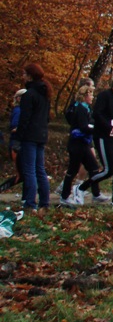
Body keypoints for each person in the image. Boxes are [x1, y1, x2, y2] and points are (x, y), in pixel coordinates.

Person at [80, 74, 113, 205]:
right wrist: (110, 127)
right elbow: (97, 114)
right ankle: (80, 188)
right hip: (102, 136)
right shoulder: (104, 96)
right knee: (108, 170)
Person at [60, 84, 103, 206]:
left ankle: (94, 193)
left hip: (83, 143)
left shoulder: (87, 109)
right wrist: (96, 129)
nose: (92, 97)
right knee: (73, 170)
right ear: (85, 96)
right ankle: (69, 194)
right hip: (77, 144)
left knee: (93, 168)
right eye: (91, 95)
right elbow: (84, 126)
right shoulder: (81, 109)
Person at [18, 63, 51, 211]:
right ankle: (44, 202)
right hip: (42, 134)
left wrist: (18, 136)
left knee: (29, 170)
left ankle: (30, 203)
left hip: (30, 135)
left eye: (24, 74)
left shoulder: (29, 94)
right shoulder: (45, 94)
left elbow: (24, 118)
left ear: (30, 76)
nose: (23, 76)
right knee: (40, 169)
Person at [0, 89, 27, 195]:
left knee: (26, 174)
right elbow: (14, 127)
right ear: (19, 98)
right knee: (21, 175)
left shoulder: (22, 110)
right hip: (16, 145)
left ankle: (26, 197)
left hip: (20, 144)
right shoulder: (18, 110)